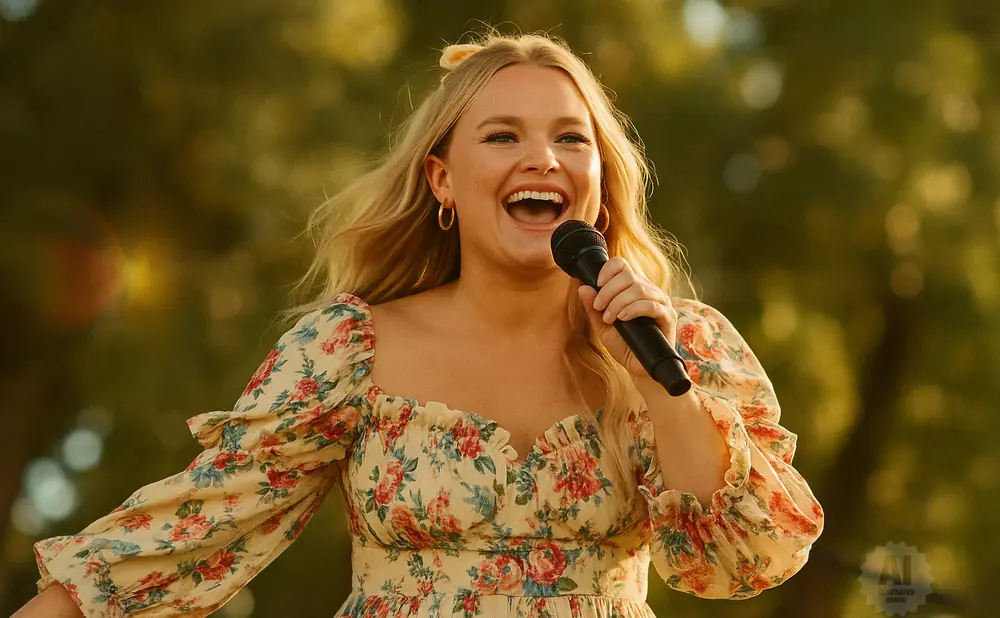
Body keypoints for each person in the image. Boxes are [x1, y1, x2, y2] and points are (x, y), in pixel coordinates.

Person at [14, 31, 824, 618]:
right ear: (442, 178)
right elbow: (198, 527)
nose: (542, 158)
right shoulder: (350, 350)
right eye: (503, 135)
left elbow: (744, 559)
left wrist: (657, 381)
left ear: (598, 185)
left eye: (570, 140)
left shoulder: (681, 345)